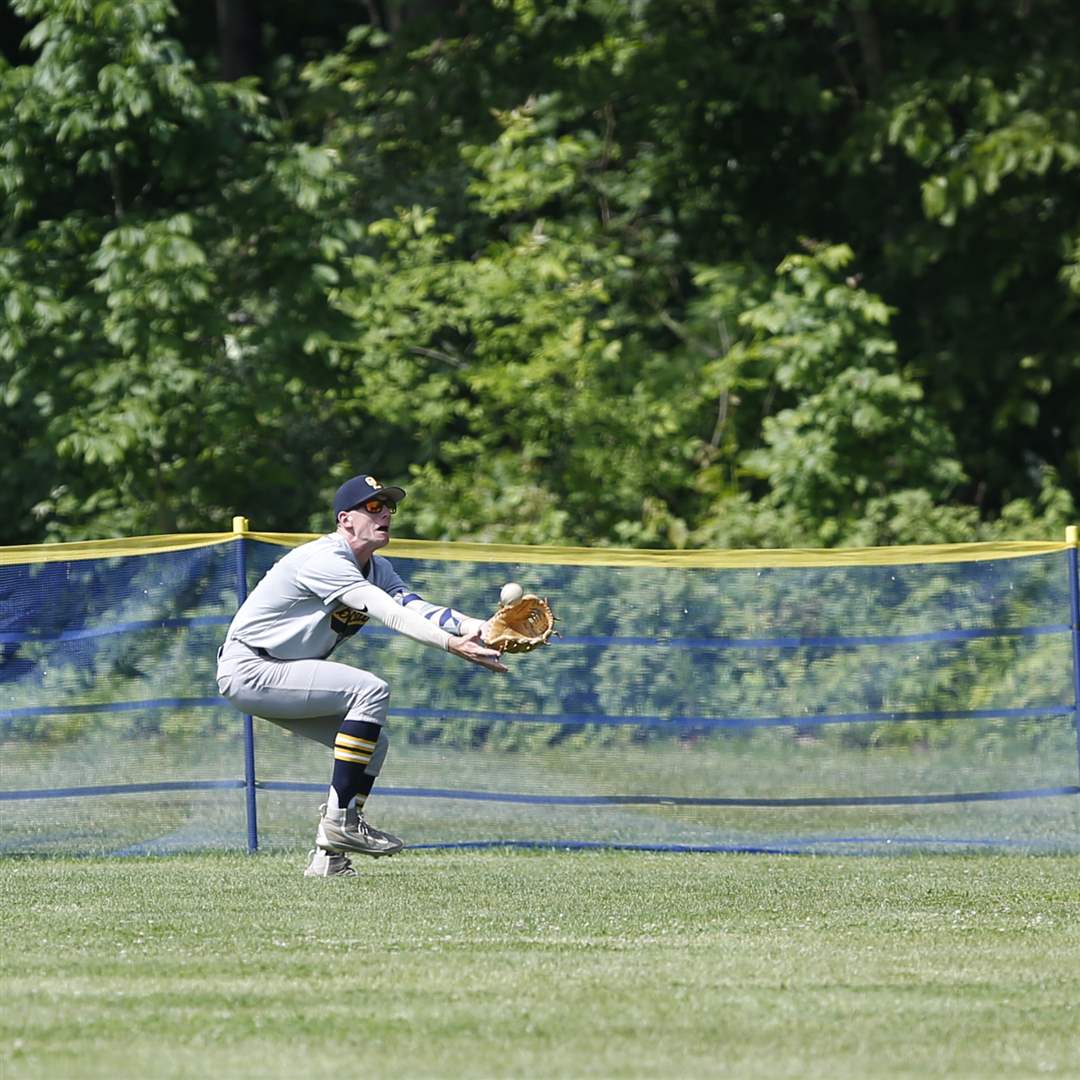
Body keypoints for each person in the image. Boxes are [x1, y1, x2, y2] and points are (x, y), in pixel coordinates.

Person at [216, 472, 507, 877]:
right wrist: (451, 644)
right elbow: (388, 612)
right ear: (345, 520)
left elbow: (415, 607)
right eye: (373, 506)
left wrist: (480, 627)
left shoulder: (377, 567)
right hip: (250, 666)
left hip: (280, 669)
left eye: (389, 506)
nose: (385, 513)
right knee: (370, 691)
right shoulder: (325, 560)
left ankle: (329, 857)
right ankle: (341, 822)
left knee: (375, 744)